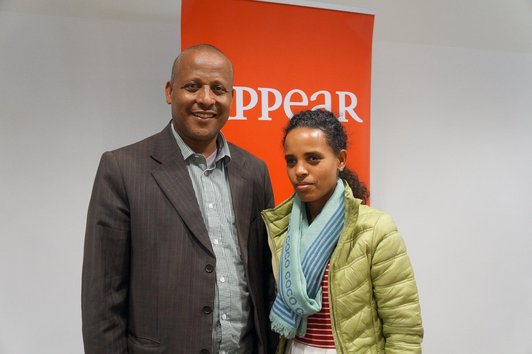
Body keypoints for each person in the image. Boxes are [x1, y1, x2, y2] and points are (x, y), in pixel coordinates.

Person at [82, 44, 276, 354]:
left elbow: (267, 280)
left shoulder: (254, 172)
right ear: (170, 92)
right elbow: (103, 296)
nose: (206, 99)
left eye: (218, 89)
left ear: (232, 99)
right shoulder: (122, 169)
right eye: (193, 86)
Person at [261, 109, 423, 353]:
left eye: (313, 158)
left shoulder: (374, 229)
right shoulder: (280, 227)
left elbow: (404, 330)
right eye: (291, 160)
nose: (300, 170)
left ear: (341, 159)